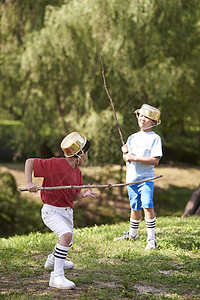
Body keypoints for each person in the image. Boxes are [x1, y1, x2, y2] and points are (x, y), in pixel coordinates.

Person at [25, 132, 96, 289]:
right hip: (51, 210)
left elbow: (73, 196)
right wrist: (29, 182)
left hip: (66, 211)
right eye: (86, 153)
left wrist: (83, 194)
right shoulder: (54, 164)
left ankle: (53, 261)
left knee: (68, 240)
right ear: (79, 153)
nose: (86, 157)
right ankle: (56, 277)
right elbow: (30, 162)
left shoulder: (77, 172)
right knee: (66, 235)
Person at [113, 104, 162, 250]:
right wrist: (125, 153)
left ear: (153, 122)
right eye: (141, 115)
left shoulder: (155, 138)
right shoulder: (132, 137)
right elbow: (127, 159)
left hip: (146, 179)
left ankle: (151, 239)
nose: (142, 119)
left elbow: (155, 160)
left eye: (147, 117)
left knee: (147, 205)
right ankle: (133, 235)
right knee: (135, 207)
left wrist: (134, 157)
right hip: (131, 179)